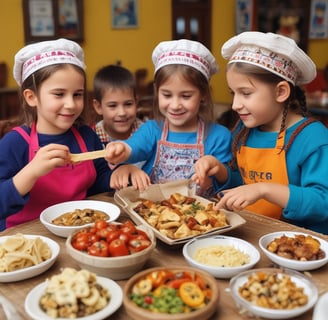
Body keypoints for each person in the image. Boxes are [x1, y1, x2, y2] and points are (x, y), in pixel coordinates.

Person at [213, 31, 328, 234]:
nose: (235, 105)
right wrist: (221, 173)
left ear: (281, 92)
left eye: (245, 93)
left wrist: (264, 189)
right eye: (234, 93)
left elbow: (322, 203)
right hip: (252, 233)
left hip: (300, 244)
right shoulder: (244, 131)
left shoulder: (312, 138)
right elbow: (242, 184)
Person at [0, 38, 113, 230]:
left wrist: (119, 174)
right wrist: (31, 172)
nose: (70, 104)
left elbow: (98, 182)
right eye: (59, 94)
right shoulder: (14, 143)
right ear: (32, 97)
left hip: (80, 231)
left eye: (77, 94)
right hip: (26, 238)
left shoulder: (86, 135)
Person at [106, 39, 232, 196]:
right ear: (156, 91)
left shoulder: (219, 136)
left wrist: (217, 169)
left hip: (199, 217)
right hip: (152, 212)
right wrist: (121, 149)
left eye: (185, 96)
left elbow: (229, 182)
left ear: (204, 94)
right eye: (166, 95)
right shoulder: (152, 129)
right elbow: (133, 148)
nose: (175, 105)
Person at [92, 64, 144, 148]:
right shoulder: (92, 137)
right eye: (113, 106)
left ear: (136, 102)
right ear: (98, 107)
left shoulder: (146, 133)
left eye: (128, 104)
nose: (122, 113)